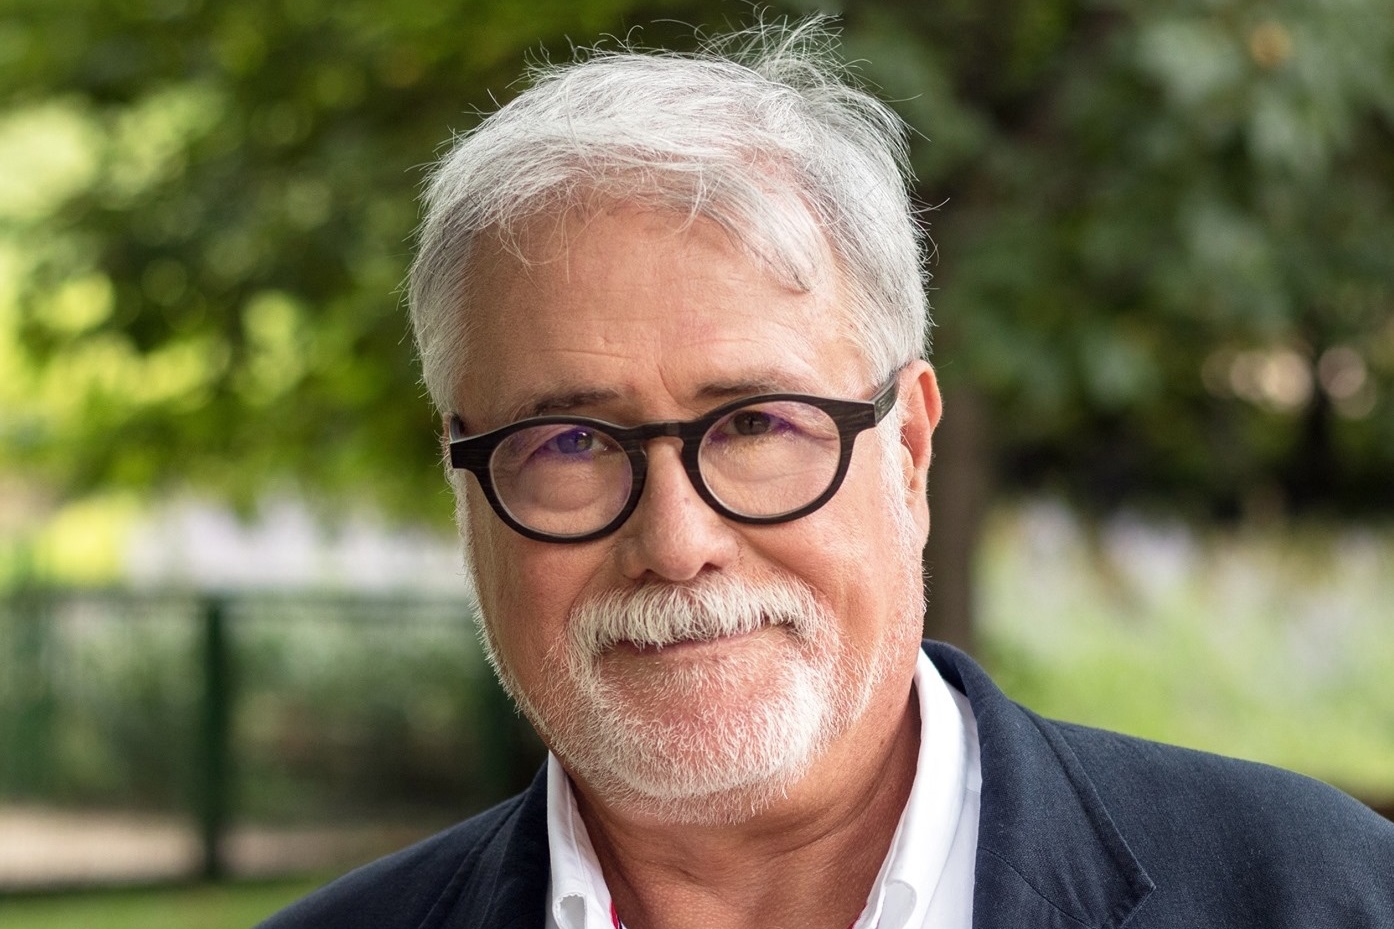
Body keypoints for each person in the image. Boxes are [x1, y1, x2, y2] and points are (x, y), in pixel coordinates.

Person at [259, 17, 1394, 929]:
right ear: (464, 486)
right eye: (569, 443)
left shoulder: (1323, 895)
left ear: (908, 451)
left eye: (756, 424)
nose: (677, 543)